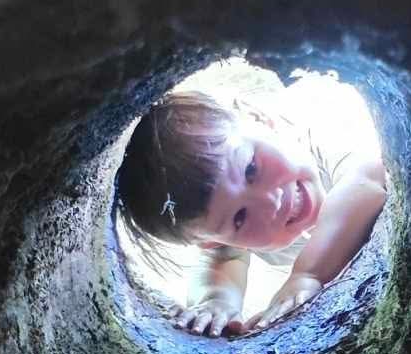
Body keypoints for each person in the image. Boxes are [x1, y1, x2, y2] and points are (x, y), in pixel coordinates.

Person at [115, 64, 388, 336]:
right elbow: (222, 261)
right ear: (215, 239)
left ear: (258, 117)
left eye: (251, 169)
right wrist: (216, 302)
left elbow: (366, 180)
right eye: (239, 218)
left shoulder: (318, 120)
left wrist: (308, 274)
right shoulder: (228, 241)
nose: (271, 203)